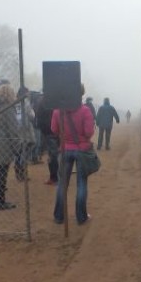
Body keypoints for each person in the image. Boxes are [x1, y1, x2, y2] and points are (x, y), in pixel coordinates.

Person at [51, 83, 95, 225]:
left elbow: (54, 130)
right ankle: (81, 217)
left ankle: (59, 216)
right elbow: (89, 132)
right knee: (81, 183)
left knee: (62, 183)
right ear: (81, 94)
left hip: (64, 149)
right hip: (81, 150)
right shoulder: (85, 111)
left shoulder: (58, 111)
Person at [35, 94, 59, 185]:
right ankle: (55, 177)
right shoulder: (58, 101)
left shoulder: (42, 102)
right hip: (54, 131)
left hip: (49, 132)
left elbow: (39, 117)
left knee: (53, 155)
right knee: (55, 155)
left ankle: (54, 177)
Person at [14, 86, 36, 181]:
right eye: (27, 93)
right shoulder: (26, 103)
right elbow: (32, 116)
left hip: (16, 130)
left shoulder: (14, 102)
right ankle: (23, 171)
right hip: (26, 130)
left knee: (18, 152)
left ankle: (18, 170)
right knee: (27, 149)